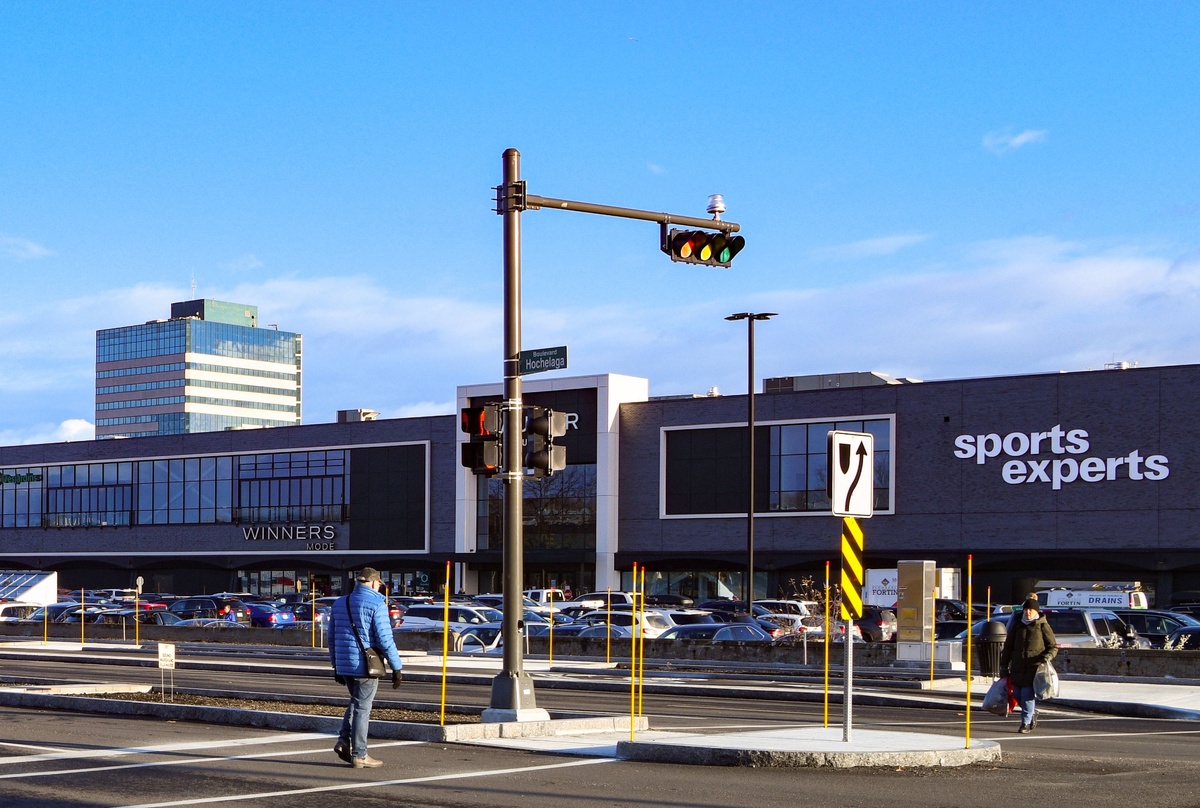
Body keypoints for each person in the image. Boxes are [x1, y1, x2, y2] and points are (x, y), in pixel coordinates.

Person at [329, 567, 403, 768]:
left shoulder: (340, 603)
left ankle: (344, 741)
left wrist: (336, 665)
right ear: (373, 583)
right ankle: (360, 754)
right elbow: (385, 639)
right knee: (362, 708)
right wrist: (396, 667)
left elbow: (332, 637)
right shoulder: (377, 604)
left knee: (356, 703)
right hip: (366, 665)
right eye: (379, 584)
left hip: (345, 664)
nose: (379, 588)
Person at [999, 596, 1057, 733]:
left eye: (1031, 610)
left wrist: (1046, 657)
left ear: (1036, 611)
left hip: (1034, 669)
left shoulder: (1042, 625)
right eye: (1026, 610)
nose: (1028, 612)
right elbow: (1008, 647)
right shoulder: (1017, 625)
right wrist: (1003, 666)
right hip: (1017, 667)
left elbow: (1053, 646)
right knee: (1017, 694)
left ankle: (1025, 723)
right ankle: (1032, 713)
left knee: (1026, 695)